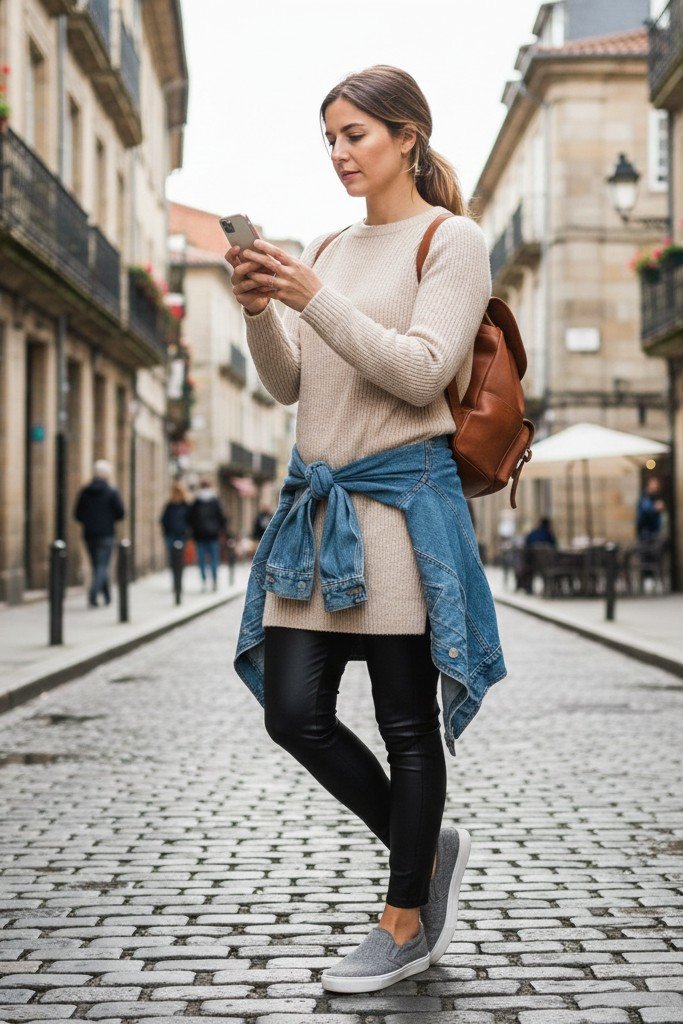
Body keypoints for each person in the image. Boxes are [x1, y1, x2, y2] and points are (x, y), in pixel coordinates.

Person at [226, 65, 505, 992]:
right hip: (321, 512)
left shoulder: (450, 239)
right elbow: (288, 382)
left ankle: (403, 921)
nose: (340, 153)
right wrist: (264, 308)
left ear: (406, 138)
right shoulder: (331, 245)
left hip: (400, 510)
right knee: (292, 711)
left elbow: (421, 373)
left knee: (404, 727)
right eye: (330, 139)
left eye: (355, 134)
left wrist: (310, 297)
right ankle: (423, 844)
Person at [73, 459, 125, 607]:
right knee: (102, 566)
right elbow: (121, 513)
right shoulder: (111, 491)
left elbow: (77, 514)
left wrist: (89, 521)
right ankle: (93, 594)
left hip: (89, 534)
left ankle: (107, 596)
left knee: (97, 565)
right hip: (106, 533)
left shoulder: (85, 491)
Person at [188, 479, 227, 591]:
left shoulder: (196, 502)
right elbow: (222, 518)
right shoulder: (215, 501)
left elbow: (190, 518)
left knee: (201, 560)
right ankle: (214, 580)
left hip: (199, 536)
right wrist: (222, 530)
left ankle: (204, 581)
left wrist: (193, 531)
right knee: (214, 558)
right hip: (213, 535)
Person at [160, 481, 191, 582]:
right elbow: (163, 519)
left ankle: (179, 580)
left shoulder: (186, 506)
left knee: (180, 558)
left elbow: (191, 520)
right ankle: (175, 581)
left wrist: (186, 531)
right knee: (172, 559)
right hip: (170, 535)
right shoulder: (169, 506)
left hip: (181, 536)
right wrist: (167, 531)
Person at [517, 516, 557, 593]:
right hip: (547, 565)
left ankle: (528, 587)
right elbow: (554, 547)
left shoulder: (533, 533)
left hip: (531, 564)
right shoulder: (548, 534)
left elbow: (526, 545)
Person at [636, 478, 665, 543]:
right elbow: (644, 512)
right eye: (654, 485)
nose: (655, 488)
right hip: (646, 532)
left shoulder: (655, 496)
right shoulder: (645, 497)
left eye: (656, 486)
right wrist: (655, 509)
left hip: (654, 531)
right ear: (649, 486)